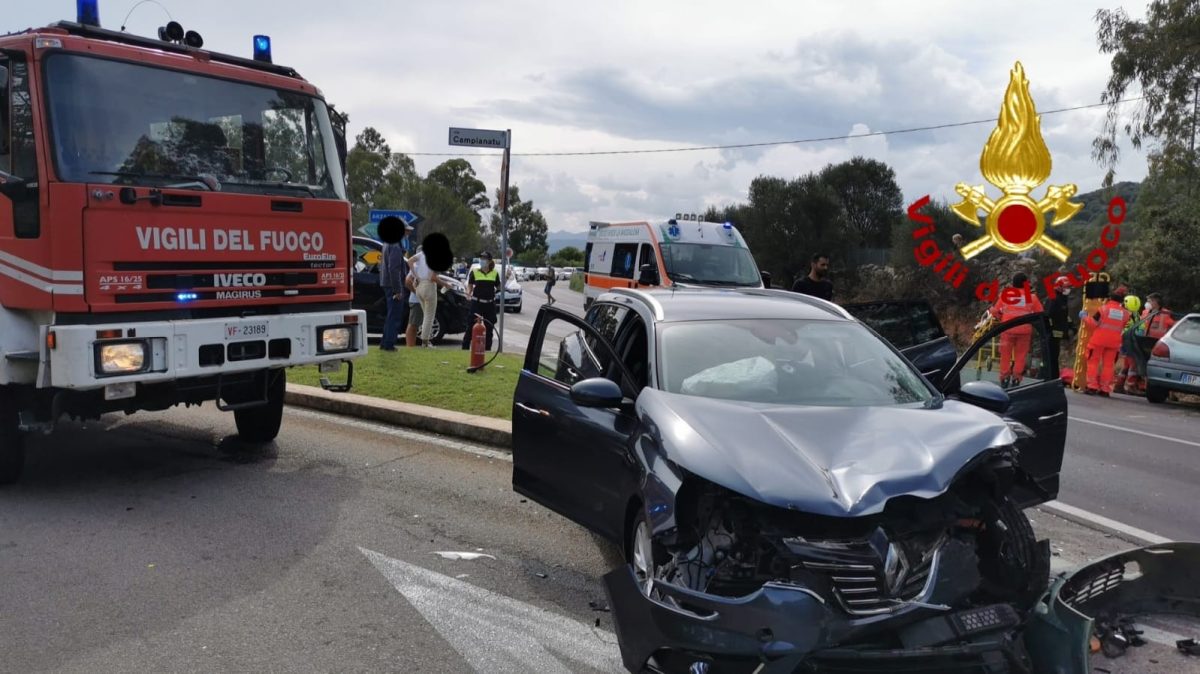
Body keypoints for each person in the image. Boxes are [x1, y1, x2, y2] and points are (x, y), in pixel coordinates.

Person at [988, 272, 1044, 387]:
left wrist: (1001, 317)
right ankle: (1017, 378)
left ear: (1013, 283)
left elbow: (994, 311)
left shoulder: (1006, 294)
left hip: (1007, 329)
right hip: (1024, 331)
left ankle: (1004, 378)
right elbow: (1040, 313)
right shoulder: (1031, 297)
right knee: (1021, 356)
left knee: (1005, 355)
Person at [1080, 291, 1132, 397]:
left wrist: (1084, 317)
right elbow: (1124, 325)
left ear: (1109, 298)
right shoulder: (1125, 313)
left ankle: (1092, 387)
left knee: (1093, 362)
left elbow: (1093, 323)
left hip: (1098, 341)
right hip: (1114, 343)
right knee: (1108, 365)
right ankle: (1105, 389)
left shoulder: (1103, 309)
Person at [378, 222, 414, 351]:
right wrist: (398, 290)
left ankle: (385, 342)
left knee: (391, 315)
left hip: (387, 284)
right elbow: (394, 269)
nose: (408, 233)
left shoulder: (388, 243)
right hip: (393, 285)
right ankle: (389, 344)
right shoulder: (395, 245)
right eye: (406, 231)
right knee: (395, 316)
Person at [405, 245, 448, 348]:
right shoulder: (423, 262)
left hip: (419, 292)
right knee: (422, 320)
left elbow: (409, 261)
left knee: (422, 320)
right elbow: (408, 281)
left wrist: (417, 280)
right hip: (420, 294)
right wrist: (445, 284)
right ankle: (422, 343)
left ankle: (418, 344)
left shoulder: (418, 262)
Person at [461, 252, 500, 351]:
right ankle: (464, 349)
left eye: (485, 258)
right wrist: (468, 293)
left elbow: (499, 287)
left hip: (489, 304)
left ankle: (487, 350)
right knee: (470, 326)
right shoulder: (474, 272)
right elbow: (470, 285)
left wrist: (507, 277)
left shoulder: (494, 273)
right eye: (481, 258)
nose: (482, 260)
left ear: (490, 261)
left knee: (489, 328)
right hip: (476, 303)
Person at [1045, 275, 1074, 375]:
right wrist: (1050, 330)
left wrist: (1071, 326)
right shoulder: (1054, 299)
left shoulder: (1062, 299)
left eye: (1068, 287)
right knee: (1051, 356)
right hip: (1052, 334)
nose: (1068, 289)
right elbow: (1048, 315)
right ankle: (1049, 375)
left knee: (1055, 356)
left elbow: (1064, 316)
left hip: (1058, 334)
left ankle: (1054, 375)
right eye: (1066, 287)